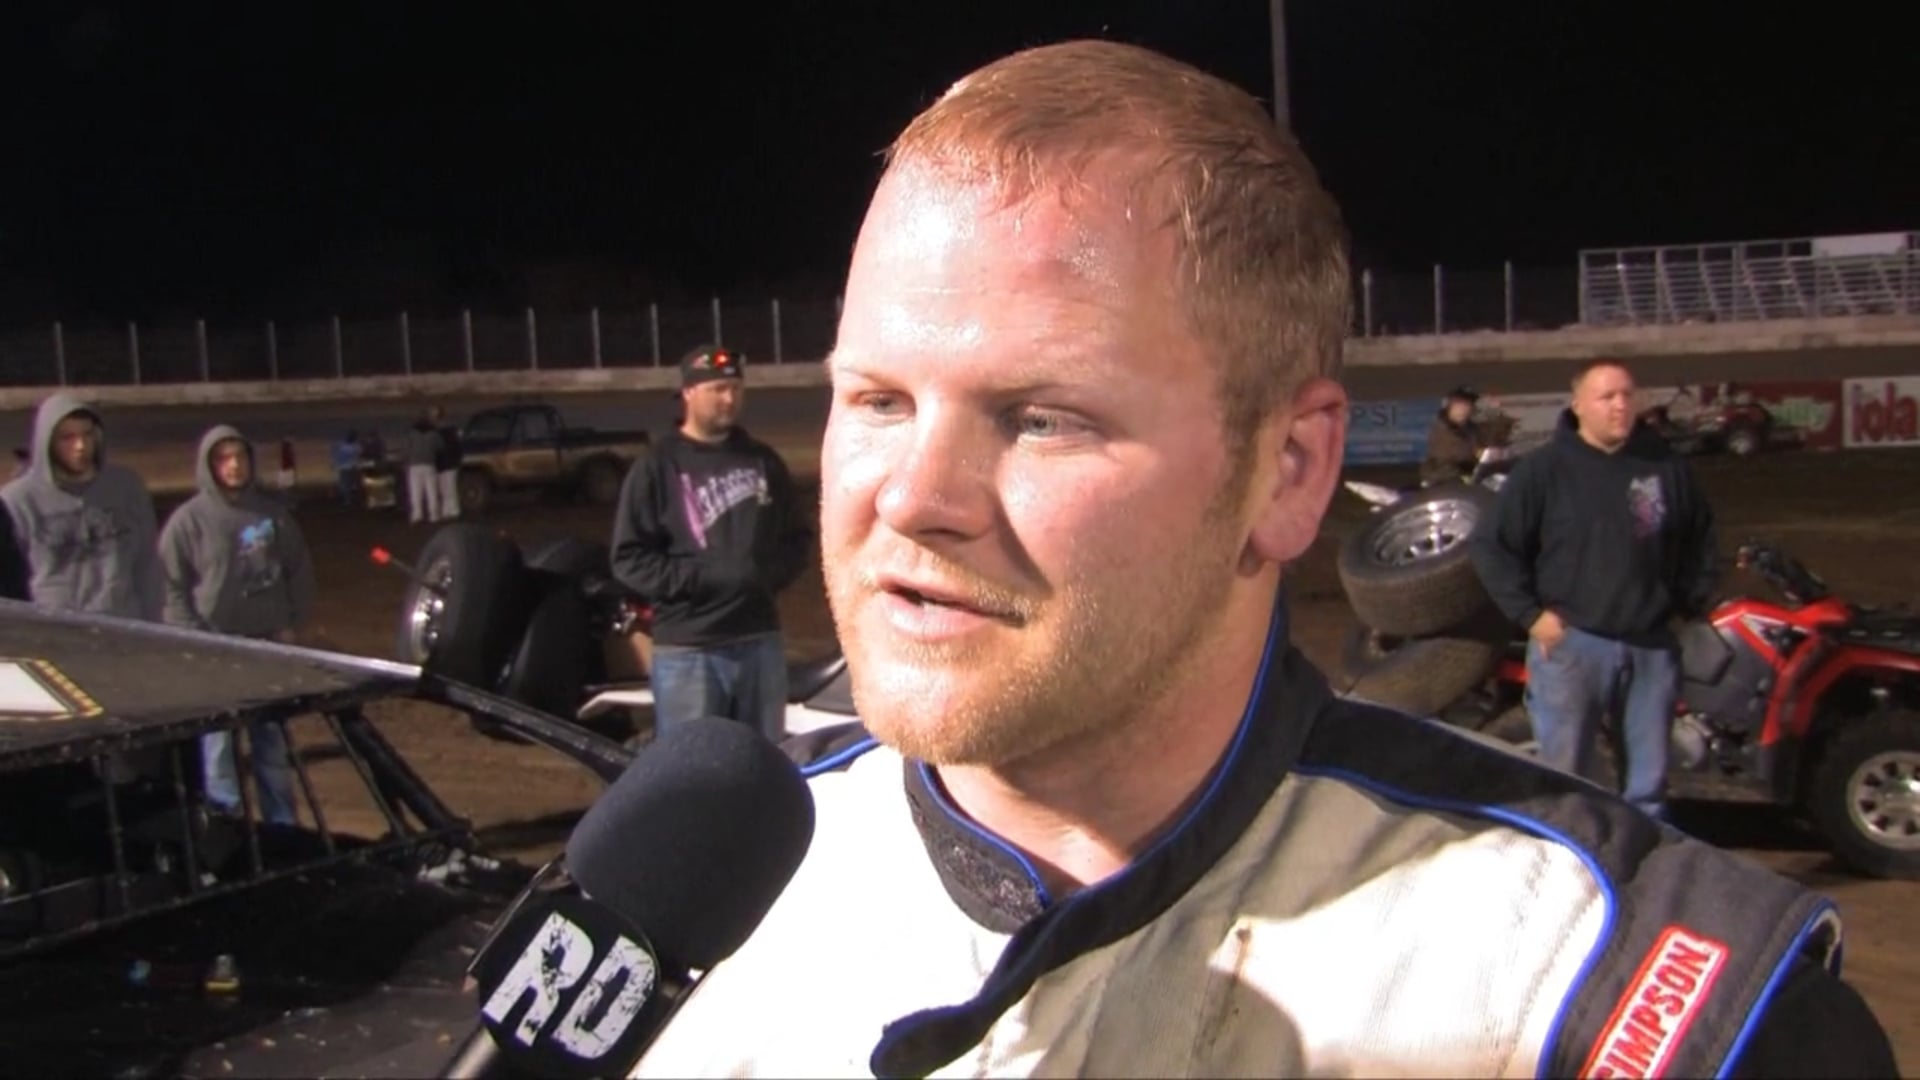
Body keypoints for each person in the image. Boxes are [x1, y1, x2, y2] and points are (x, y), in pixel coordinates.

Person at [625, 41, 1895, 1079]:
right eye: (878, 399)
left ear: (1288, 471)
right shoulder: (682, 892)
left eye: (1044, 417)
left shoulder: (1600, 992)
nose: (912, 497)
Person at [1470, 359, 1720, 822]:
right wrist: (1530, 616)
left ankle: (1638, 879)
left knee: (1647, 786)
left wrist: (1686, 603)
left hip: (1650, 647)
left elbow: (1701, 537)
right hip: (1574, 646)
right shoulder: (1544, 471)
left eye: (1627, 394)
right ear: (1578, 405)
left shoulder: (1664, 466)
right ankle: (1570, 870)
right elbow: (1491, 546)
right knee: (1566, 779)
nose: (1620, 405)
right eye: (1607, 397)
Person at [609, 344, 813, 741]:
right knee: (693, 770)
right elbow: (628, 558)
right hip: (689, 650)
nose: (729, 398)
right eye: (717, 389)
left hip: (759, 641)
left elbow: (797, 537)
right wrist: (701, 580)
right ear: (688, 393)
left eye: (736, 389)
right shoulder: (657, 466)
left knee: (761, 762)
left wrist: (762, 577)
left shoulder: (762, 461)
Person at [158, 426, 318, 826]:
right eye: (223, 458)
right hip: (216, 651)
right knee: (218, 754)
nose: (233, 466)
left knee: (272, 749)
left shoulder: (272, 515)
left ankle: (282, 830)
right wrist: (194, 636)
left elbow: (298, 570)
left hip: (267, 648)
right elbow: (169, 585)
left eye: (240, 457)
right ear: (209, 466)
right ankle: (227, 834)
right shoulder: (188, 522)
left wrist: (291, 622)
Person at [1, 392, 163, 621]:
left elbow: (147, 567)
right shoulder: (17, 502)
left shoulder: (126, 488)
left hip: (123, 632)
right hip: (55, 636)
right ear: (46, 442)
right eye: (67, 437)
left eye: (87, 434)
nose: (80, 446)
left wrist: (155, 629)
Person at [1419, 385, 1489, 484]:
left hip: (1469, 478)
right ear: (1449, 407)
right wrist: (1477, 455)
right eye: (1459, 405)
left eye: (1468, 405)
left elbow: (1486, 447)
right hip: (1442, 480)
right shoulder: (1441, 428)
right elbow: (1449, 455)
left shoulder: (1473, 429)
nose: (1463, 409)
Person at [403, 408, 444, 524]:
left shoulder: (411, 433)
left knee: (415, 491)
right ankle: (434, 515)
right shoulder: (434, 433)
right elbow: (440, 447)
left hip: (414, 465)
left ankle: (417, 515)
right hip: (429, 464)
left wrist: (406, 462)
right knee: (431, 491)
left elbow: (407, 450)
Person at [431, 406, 463, 520]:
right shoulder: (452, 430)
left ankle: (450, 510)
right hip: (451, 463)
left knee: (445, 489)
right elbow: (458, 447)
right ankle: (451, 510)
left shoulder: (437, 432)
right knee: (450, 488)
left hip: (443, 464)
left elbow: (437, 449)